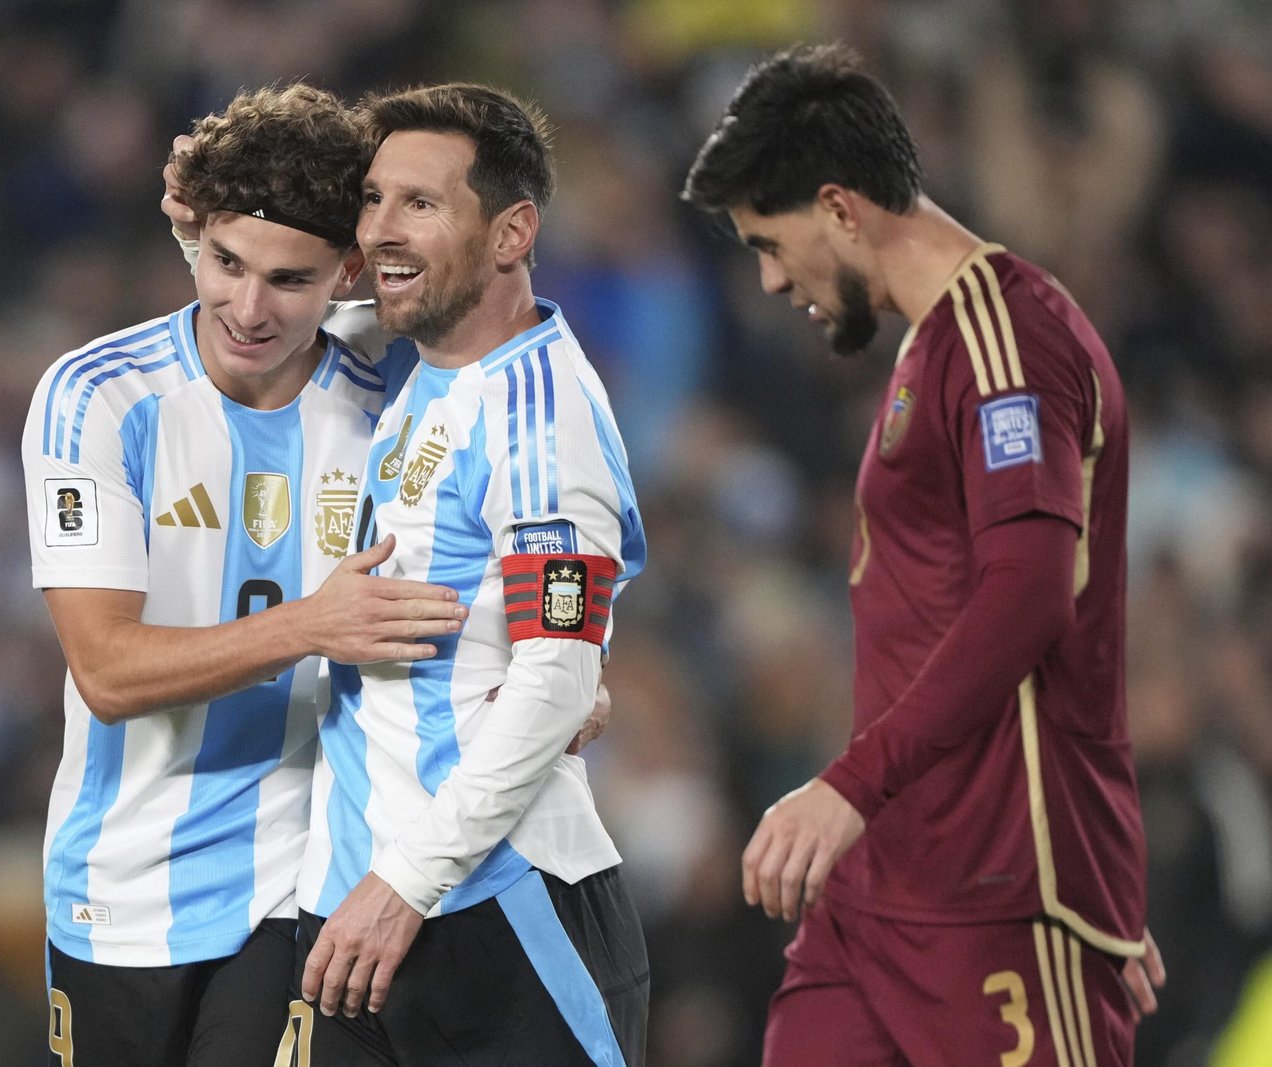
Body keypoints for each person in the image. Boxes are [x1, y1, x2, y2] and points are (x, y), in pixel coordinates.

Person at [681, 44, 1166, 1065]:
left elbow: (1028, 595)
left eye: (771, 243)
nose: (770, 278)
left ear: (840, 208)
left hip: (999, 893)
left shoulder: (1009, 341)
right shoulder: (935, 345)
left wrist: (852, 786)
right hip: (882, 891)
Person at [20, 83, 470, 1066]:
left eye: (289, 279)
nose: (249, 308)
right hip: (117, 885)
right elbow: (106, 670)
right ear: (193, 237)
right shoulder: (97, 398)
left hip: (297, 881)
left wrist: (562, 661)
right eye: (225, 262)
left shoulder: (397, 391)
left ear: (349, 271)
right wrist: (311, 624)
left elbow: (503, 302)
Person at [266, 84, 652, 1067]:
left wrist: (408, 880)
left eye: (420, 203)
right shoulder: (420, 370)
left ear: (511, 232)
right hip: (358, 911)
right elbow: (258, 317)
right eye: (373, 199)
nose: (378, 231)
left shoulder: (539, 412)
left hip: (494, 914)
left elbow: (555, 675)